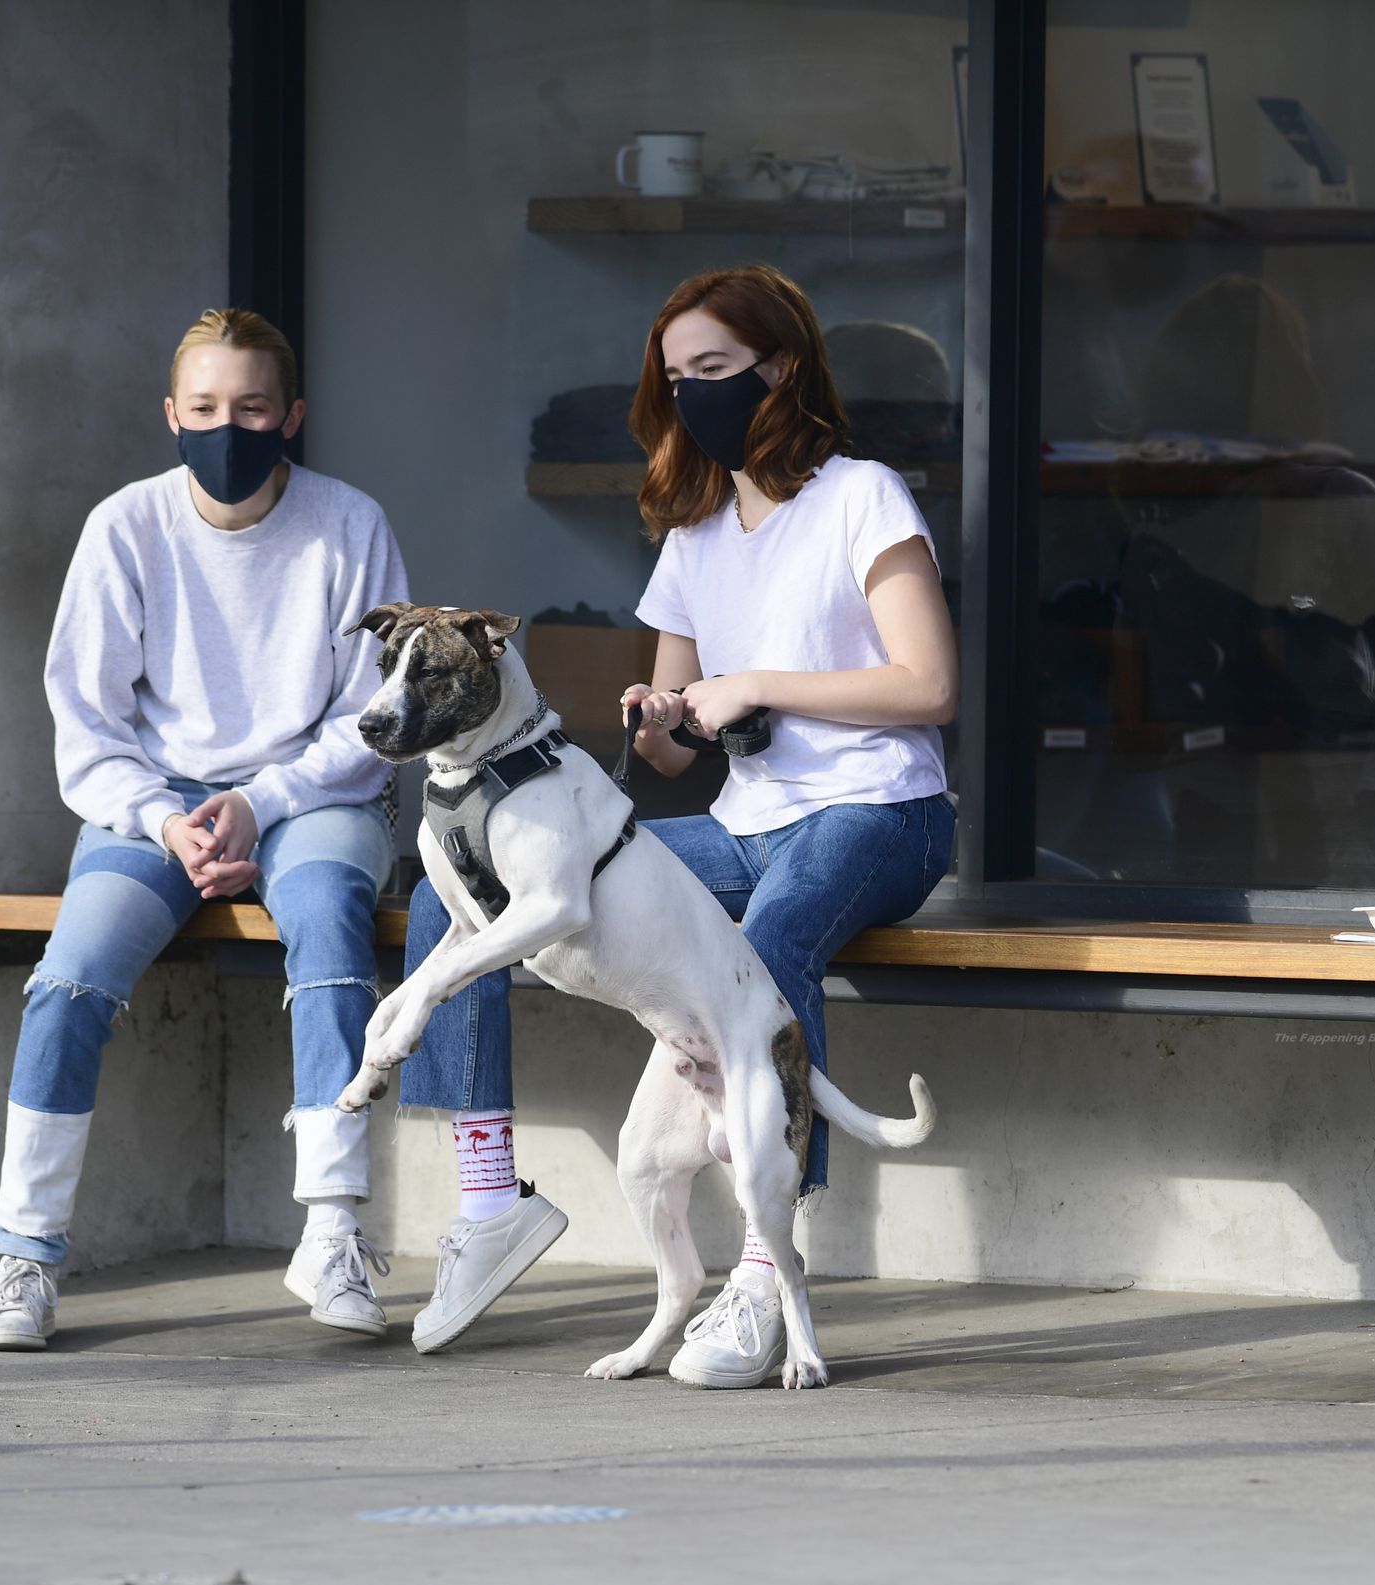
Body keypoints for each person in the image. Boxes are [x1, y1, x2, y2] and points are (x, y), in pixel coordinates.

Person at [396, 264, 959, 1385]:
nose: (693, 393)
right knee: (447, 902)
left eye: (714, 370)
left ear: (780, 366)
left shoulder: (863, 496)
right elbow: (667, 752)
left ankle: (761, 1268)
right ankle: (489, 1193)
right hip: (741, 821)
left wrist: (758, 683)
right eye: (676, 376)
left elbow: (928, 686)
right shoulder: (696, 533)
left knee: (772, 943)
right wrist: (661, 720)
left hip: (880, 811)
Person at [0, 308, 409, 1350]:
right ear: (171, 414)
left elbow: (374, 716)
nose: (228, 427)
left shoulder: (350, 525)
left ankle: (334, 1229)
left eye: (252, 406)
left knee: (331, 926)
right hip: (157, 801)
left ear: (290, 414)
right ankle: (24, 1257)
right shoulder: (127, 526)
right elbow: (87, 720)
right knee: (71, 974)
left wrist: (259, 800)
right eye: (205, 407)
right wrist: (170, 819)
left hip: (314, 799)